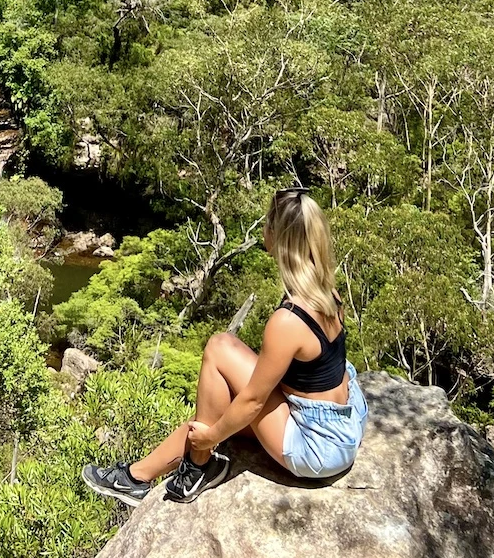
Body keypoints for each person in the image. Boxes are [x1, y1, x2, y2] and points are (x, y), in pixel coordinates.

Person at [81, 187, 368, 506]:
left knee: (219, 349)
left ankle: (197, 466)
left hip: (316, 447)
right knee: (220, 405)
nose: (263, 231)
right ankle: (138, 476)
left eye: (267, 224)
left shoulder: (288, 319)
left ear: (277, 236)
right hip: (344, 424)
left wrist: (211, 437)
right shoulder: (328, 293)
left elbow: (254, 402)